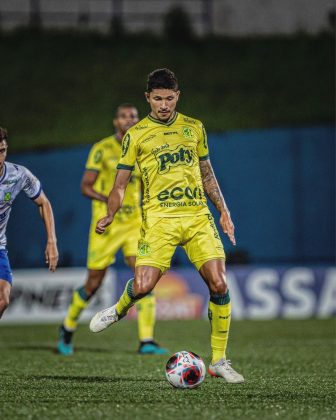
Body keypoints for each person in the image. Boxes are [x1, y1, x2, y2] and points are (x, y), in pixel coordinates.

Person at [89, 69, 244, 383]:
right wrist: (110, 213)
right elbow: (119, 185)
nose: (163, 104)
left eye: (169, 98)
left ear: (178, 96)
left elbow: (207, 173)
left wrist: (223, 210)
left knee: (219, 283)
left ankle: (219, 360)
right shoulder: (136, 135)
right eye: (157, 98)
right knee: (143, 286)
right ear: (148, 98)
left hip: (197, 216)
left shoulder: (194, 128)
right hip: (159, 220)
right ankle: (119, 309)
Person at [57, 104, 167, 356]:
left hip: (134, 226)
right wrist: (106, 200)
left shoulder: (144, 146)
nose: (130, 119)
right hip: (106, 226)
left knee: (145, 279)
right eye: (124, 116)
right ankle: (67, 327)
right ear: (115, 121)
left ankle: (146, 340)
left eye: (134, 116)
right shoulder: (102, 149)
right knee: (92, 284)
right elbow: (86, 186)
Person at [0, 127, 58, 318]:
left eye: (2, 151)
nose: (0, 157)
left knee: (3, 299)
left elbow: (43, 203)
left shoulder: (18, 174)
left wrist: (51, 241)